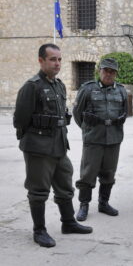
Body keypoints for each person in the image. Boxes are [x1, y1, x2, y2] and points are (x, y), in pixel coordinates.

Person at [13, 44, 93, 248]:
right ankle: (39, 230)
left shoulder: (59, 85)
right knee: (39, 190)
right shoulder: (32, 86)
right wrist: (32, 142)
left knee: (65, 185)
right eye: (52, 59)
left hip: (58, 146)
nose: (57, 63)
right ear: (41, 60)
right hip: (39, 148)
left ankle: (68, 222)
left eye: (59, 59)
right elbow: (20, 119)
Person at [72, 58, 128, 221]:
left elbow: (124, 113)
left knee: (109, 173)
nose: (109, 74)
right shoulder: (88, 89)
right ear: (100, 71)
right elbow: (77, 113)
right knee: (88, 173)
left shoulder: (121, 91)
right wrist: (88, 130)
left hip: (113, 139)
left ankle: (104, 203)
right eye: (106, 70)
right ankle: (84, 205)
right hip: (94, 139)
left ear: (116, 73)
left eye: (112, 71)